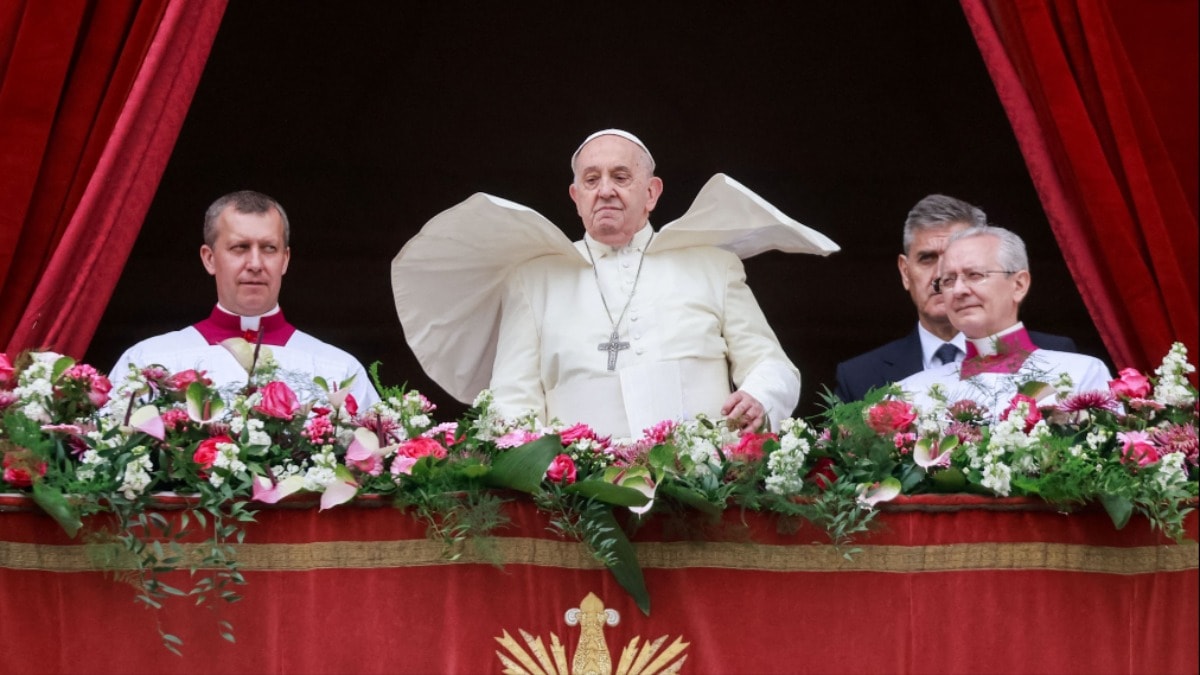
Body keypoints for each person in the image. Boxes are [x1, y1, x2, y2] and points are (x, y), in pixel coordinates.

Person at [487, 129, 804, 437]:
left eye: (621, 177)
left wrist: (759, 396)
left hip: (704, 482)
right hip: (579, 487)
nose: (605, 190)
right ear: (576, 196)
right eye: (592, 179)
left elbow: (770, 363)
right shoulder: (532, 282)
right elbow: (512, 399)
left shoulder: (713, 266)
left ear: (651, 192)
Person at [111, 190, 379, 406]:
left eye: (269, 248)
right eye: (240, 248)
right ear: (209, 258)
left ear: (284, 260)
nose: (255, 263)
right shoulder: (150, 362)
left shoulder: (338, 369)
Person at [834, 194, 1075, 402]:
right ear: (905, 273)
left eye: (960, 261)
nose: (941, 276)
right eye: (927, 258)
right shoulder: (860, 377)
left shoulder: (1057, 357)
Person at [898, 225, 1110, 415]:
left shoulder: (1081, 374)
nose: (959, 290)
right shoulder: (913, 393)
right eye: (948, 280)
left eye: (974, 275)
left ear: (1019, 285)